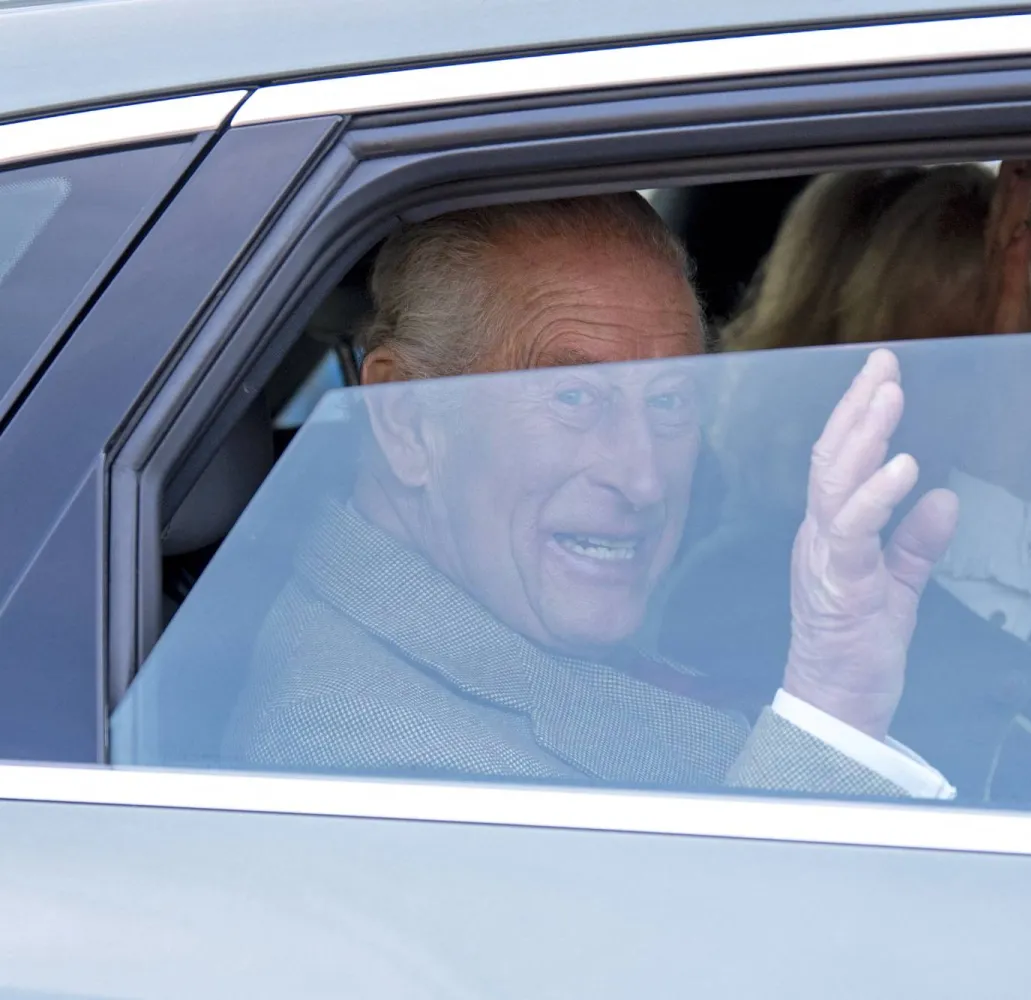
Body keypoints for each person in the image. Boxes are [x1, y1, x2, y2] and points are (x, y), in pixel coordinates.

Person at [222, 193, 965, 799]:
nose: (643, 480)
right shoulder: (374, 762)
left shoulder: (481, 619)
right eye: (574, 395)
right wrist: (833, 698)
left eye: (671, 400)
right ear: (409, 418)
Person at [657, 161, 1031, 810]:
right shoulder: (742, 596)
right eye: (969, 358)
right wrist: (1000, 493)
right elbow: (926, 829)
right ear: (841, 368)